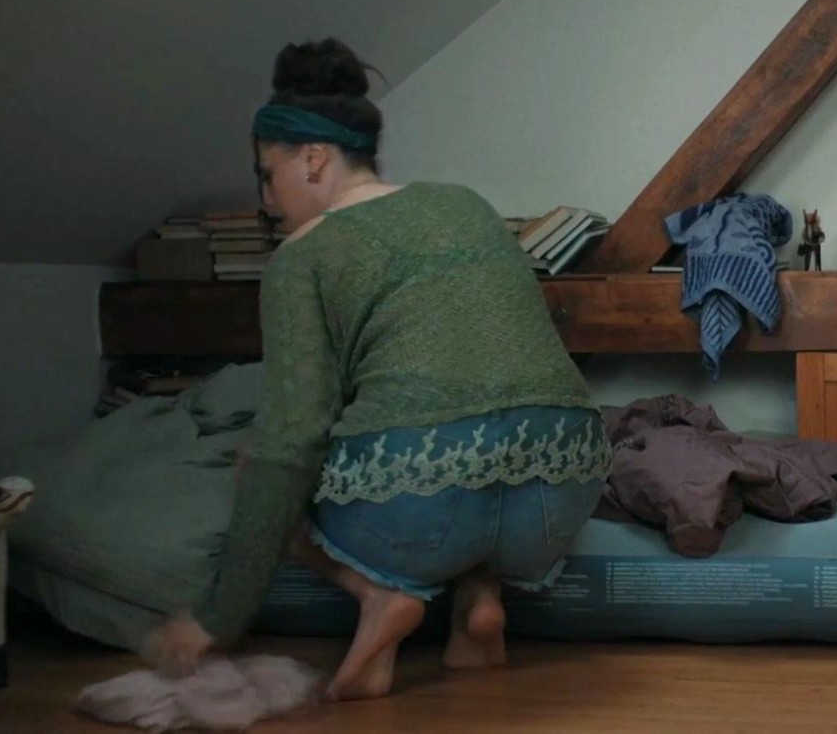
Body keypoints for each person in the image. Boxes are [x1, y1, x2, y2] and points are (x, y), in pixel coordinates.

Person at [142, 39, 609, 700]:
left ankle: (377, 595)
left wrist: (218, 615)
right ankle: (479, 600)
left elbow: (292, 439)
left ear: (313, 159)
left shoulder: (301, 257)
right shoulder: (465, 202)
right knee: (480, 443)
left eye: (267, 175)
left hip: (423, 511)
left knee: (262, 465)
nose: (267, 200)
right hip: (562, 487)